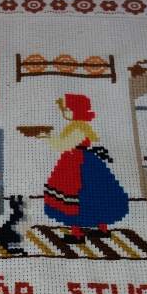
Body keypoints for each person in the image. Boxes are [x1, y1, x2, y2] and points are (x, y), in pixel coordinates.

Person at [41, 94, 129, 243]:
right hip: (84, 161)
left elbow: (64, 145)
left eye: (67, 109)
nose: (65, 113)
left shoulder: (78, 128)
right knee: (95, 195)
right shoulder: (78, 126)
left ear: (76, 110)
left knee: (74, 195)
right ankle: (102, 229)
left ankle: (77, 234)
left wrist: (47, 137)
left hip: (77, 164)